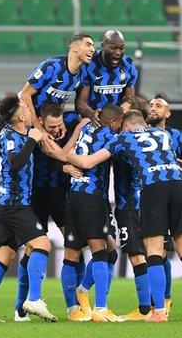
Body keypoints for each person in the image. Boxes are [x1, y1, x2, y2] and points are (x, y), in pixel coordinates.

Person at [67, 110, 182, 323]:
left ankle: (158, 311)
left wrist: (69, 158)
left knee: (154, 251)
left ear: (128, 126)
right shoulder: (163, 135)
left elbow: (87, 163)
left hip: (152, 187)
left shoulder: (123, 138)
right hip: (179, 185)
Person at [0, 95, 56, 323]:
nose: (29, 111)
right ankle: (34, 299)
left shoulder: (18, 134)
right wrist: (33, 139)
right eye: (26, 108)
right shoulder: (10, 136)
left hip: (6, 205)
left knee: (5, 257)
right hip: (14, 204)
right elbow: (15, 163)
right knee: (42, 243)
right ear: (20, 116)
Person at [11, 104, 89, 322]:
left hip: (62, 198)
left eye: (59, 124)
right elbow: (54, 160)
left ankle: (75, 307)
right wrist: (64, 167)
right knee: (32, 249)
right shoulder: (37, 136)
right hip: (38, 199)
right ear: (42, 122)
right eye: (52, 126)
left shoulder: (70, 124)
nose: (56, 130)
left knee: (75, 245)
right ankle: (21, 307)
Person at [61, 104, 124, 322]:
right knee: (101, 250)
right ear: (114, 122)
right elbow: (88, 162)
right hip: (93, 197)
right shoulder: (112, 137)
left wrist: (68, 160)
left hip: (74, 195)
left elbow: (67, 154)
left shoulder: (86, 128)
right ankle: (100, 308)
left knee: (72, 254)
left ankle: (73, 309)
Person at [146, 94, 182, 310]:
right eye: (151, 105)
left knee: (166, 249)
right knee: (162, 251)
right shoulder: (138, 132)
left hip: (162, 191)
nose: (153, 108)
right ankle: (173, 303)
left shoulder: (176, 135)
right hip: (164, 191)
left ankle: (165, 308)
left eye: (159, 106)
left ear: (167, 113)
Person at [114, 98, 154, 321]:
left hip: (128, 205)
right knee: (156, 254)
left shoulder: (123, 141)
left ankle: (144, 309)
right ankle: (161, 305)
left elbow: (94, 160)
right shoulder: (157, 138)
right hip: (151, 203)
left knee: (137, 256)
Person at [19, 34, 95, 137]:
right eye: (88, 45)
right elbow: (24, 95)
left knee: (71, 117)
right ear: (74, 48)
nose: (92, 49)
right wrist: (39, 129)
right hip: (31, 118)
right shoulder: (51, 67)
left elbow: (60, 99)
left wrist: (60, 123)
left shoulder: (83, 74)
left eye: (93, 46)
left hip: (50, 120)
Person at [76, 30, 138, 126]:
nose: (118, 52)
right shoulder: (88, 64)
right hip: (92, 118)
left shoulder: (128, 65)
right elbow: (81, 103)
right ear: (103, 45)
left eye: (121, 48)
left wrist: (125, 109)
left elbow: (129, 100)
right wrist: (93, 115)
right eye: (113, 48)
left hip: (117, 121)